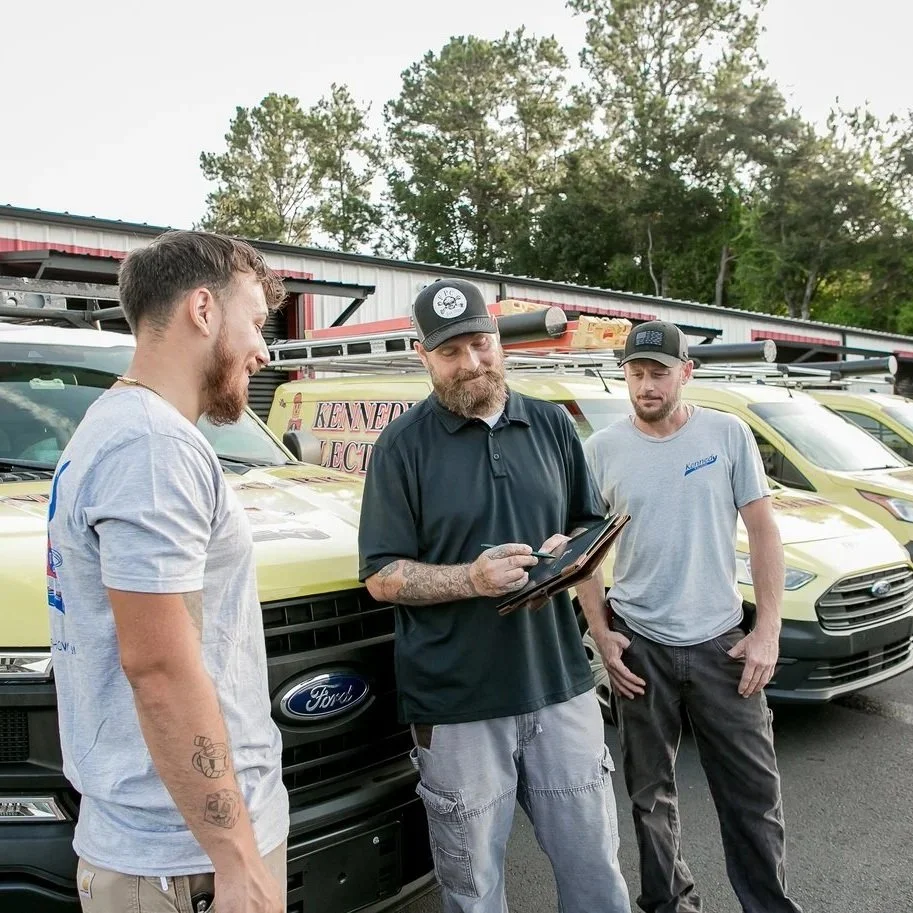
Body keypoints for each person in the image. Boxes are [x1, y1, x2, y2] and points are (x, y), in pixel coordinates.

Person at [357, 278, 631, 913]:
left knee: (596, 872)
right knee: (474, 889)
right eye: (451, 351)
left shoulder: (552, 426)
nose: (471, 363)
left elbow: (590, 524)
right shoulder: (402, 446)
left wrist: (575, 554)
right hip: (457, 705)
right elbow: (381, 576)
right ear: (423, 355)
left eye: (480, 344)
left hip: (560, 683)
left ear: (499, 343)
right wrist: (471, 579)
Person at [47, 230, 290, 913]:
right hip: (185, 867)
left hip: (174, 855)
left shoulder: (116, 426)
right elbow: (160, 668)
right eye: (253, 321)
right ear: (204, 309)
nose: (262, 350)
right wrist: (235, 859)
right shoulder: (151, 445)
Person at [583, 321, 803, 913]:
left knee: (753, 793)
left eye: (658, 374)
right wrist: (602, 634)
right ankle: (670, 905)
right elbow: (585, 553)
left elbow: (763, 532)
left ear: (687, 373)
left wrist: (767, 632)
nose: (646, 387)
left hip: (721, 645)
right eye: (635, 374)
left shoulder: (727, 434)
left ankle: (769, 906)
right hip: (640, 646)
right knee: (649, 794)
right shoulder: (602, 450)